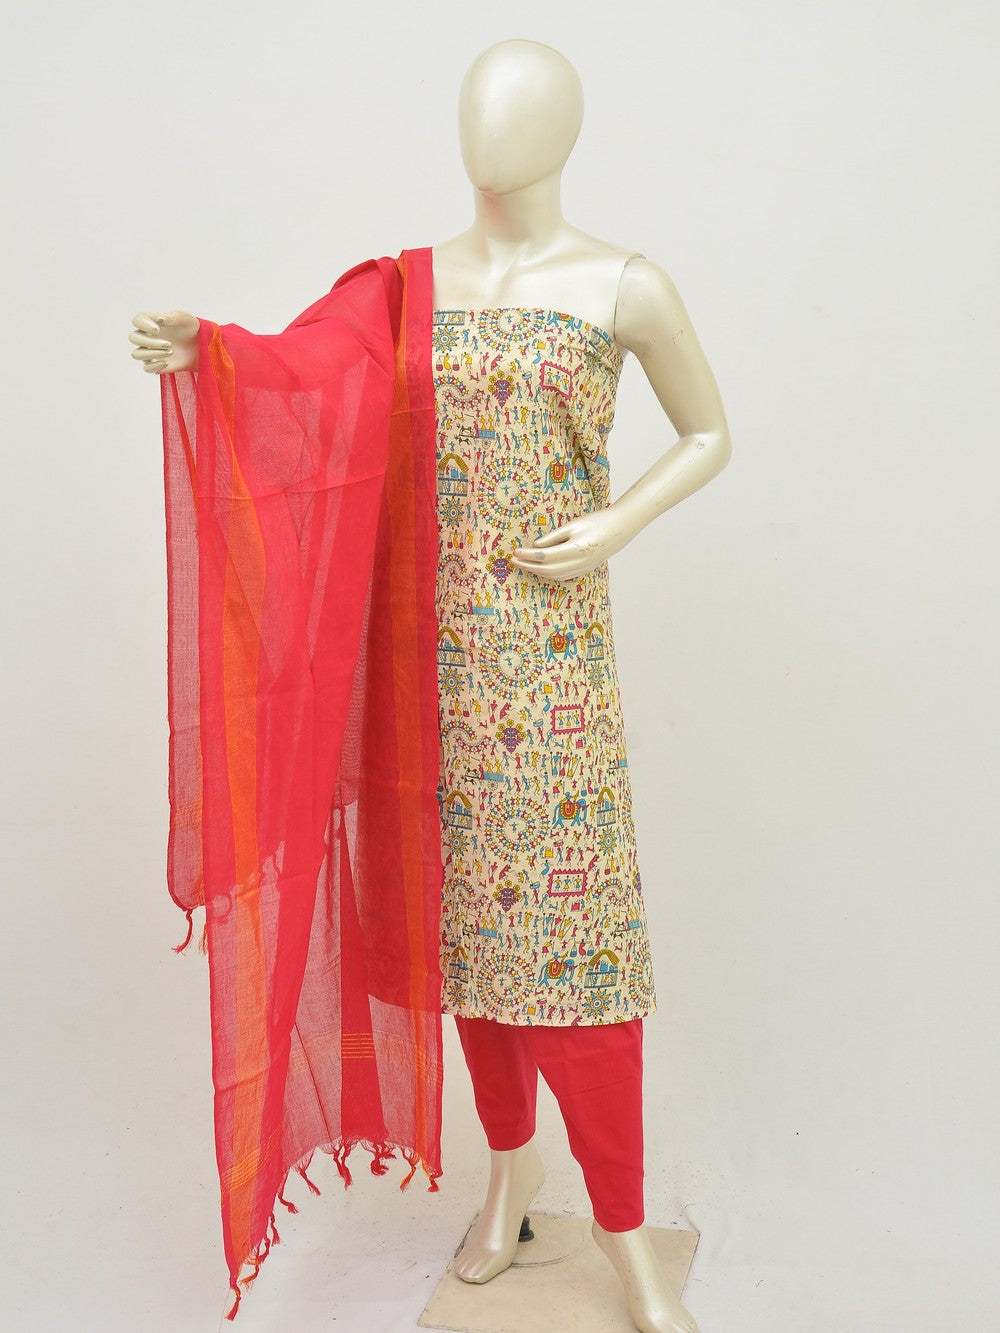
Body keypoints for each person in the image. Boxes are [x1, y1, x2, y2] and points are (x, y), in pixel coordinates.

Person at [130, 38, 729, 1333]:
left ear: (564, 130)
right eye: (478, 109)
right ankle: (511, 1175)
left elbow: (710, 431)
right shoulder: (406, 289)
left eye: (519, 111)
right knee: (467, 942)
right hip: (425, 671)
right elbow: (303, 373)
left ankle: (623, 1231)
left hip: (555, 672)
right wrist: (212, 354)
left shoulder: (624, 285)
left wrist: (617, 523)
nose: (492, 134)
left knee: (576, 952)